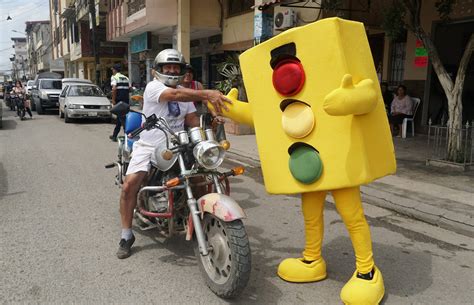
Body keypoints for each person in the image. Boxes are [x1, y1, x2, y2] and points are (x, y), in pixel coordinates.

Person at [116, 49, 231, 259]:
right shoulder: (154, 87)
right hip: (150, 146)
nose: (171, 70)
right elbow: (173, 95)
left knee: (201, 177)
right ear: (157, 71)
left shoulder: (185, 95)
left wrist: (210, 132)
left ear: (181, 70)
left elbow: (192, 121)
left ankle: (198, 217)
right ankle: (126, 235)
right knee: (129, 185)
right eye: (167, 67)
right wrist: (207, 94)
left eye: (175, 67)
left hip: (179, 145)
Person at [109, 63, 130, 142]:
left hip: (119, 102)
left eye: (113, 69)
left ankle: (128, 136)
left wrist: (113, 100)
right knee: (120, 118)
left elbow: (114, 89)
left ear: (114, 70)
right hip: (126, 101)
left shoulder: (114, 77)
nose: (112, 71)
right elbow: (130, 88)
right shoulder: (126, 78)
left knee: (122, 119)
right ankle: (114, 135)